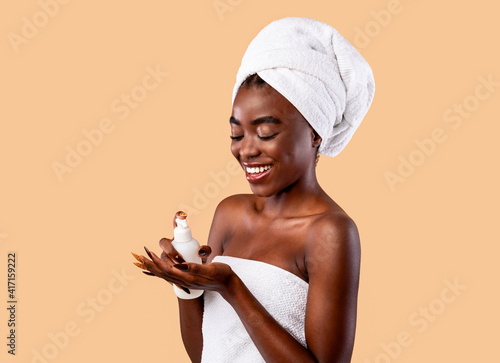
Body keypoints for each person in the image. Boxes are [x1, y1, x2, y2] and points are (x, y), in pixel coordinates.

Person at [132, 17, 375, 363]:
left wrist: (232, 288)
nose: (245, 150)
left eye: (265, 133)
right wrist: (184, 281)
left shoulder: (330, 233)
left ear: (315, 132)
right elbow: (206, 353)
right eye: (236, 134)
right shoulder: (230, 213)